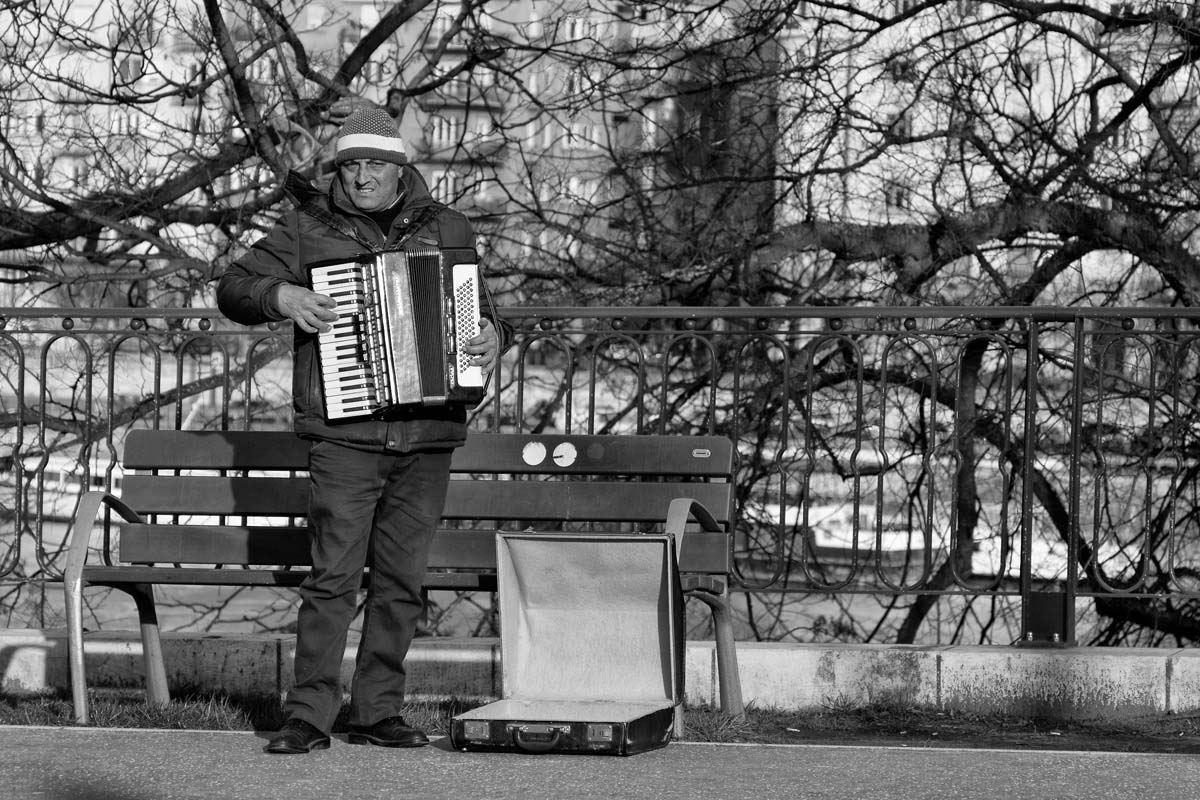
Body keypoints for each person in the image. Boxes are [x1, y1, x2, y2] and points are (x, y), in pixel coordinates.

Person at [216, 106, 502, 755]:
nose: (363, 176)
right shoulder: (308, 227)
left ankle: (376, 711)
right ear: (338, 170)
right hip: (345, 434)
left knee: (402, 583)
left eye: (375, 164)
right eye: (351, 166)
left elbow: (481, 314)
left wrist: (494, 338)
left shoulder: (449, 226)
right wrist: (281, 297)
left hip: (428, 432)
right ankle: (308, 715)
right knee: (332, 579)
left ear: (401, 169)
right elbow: (233, 287)